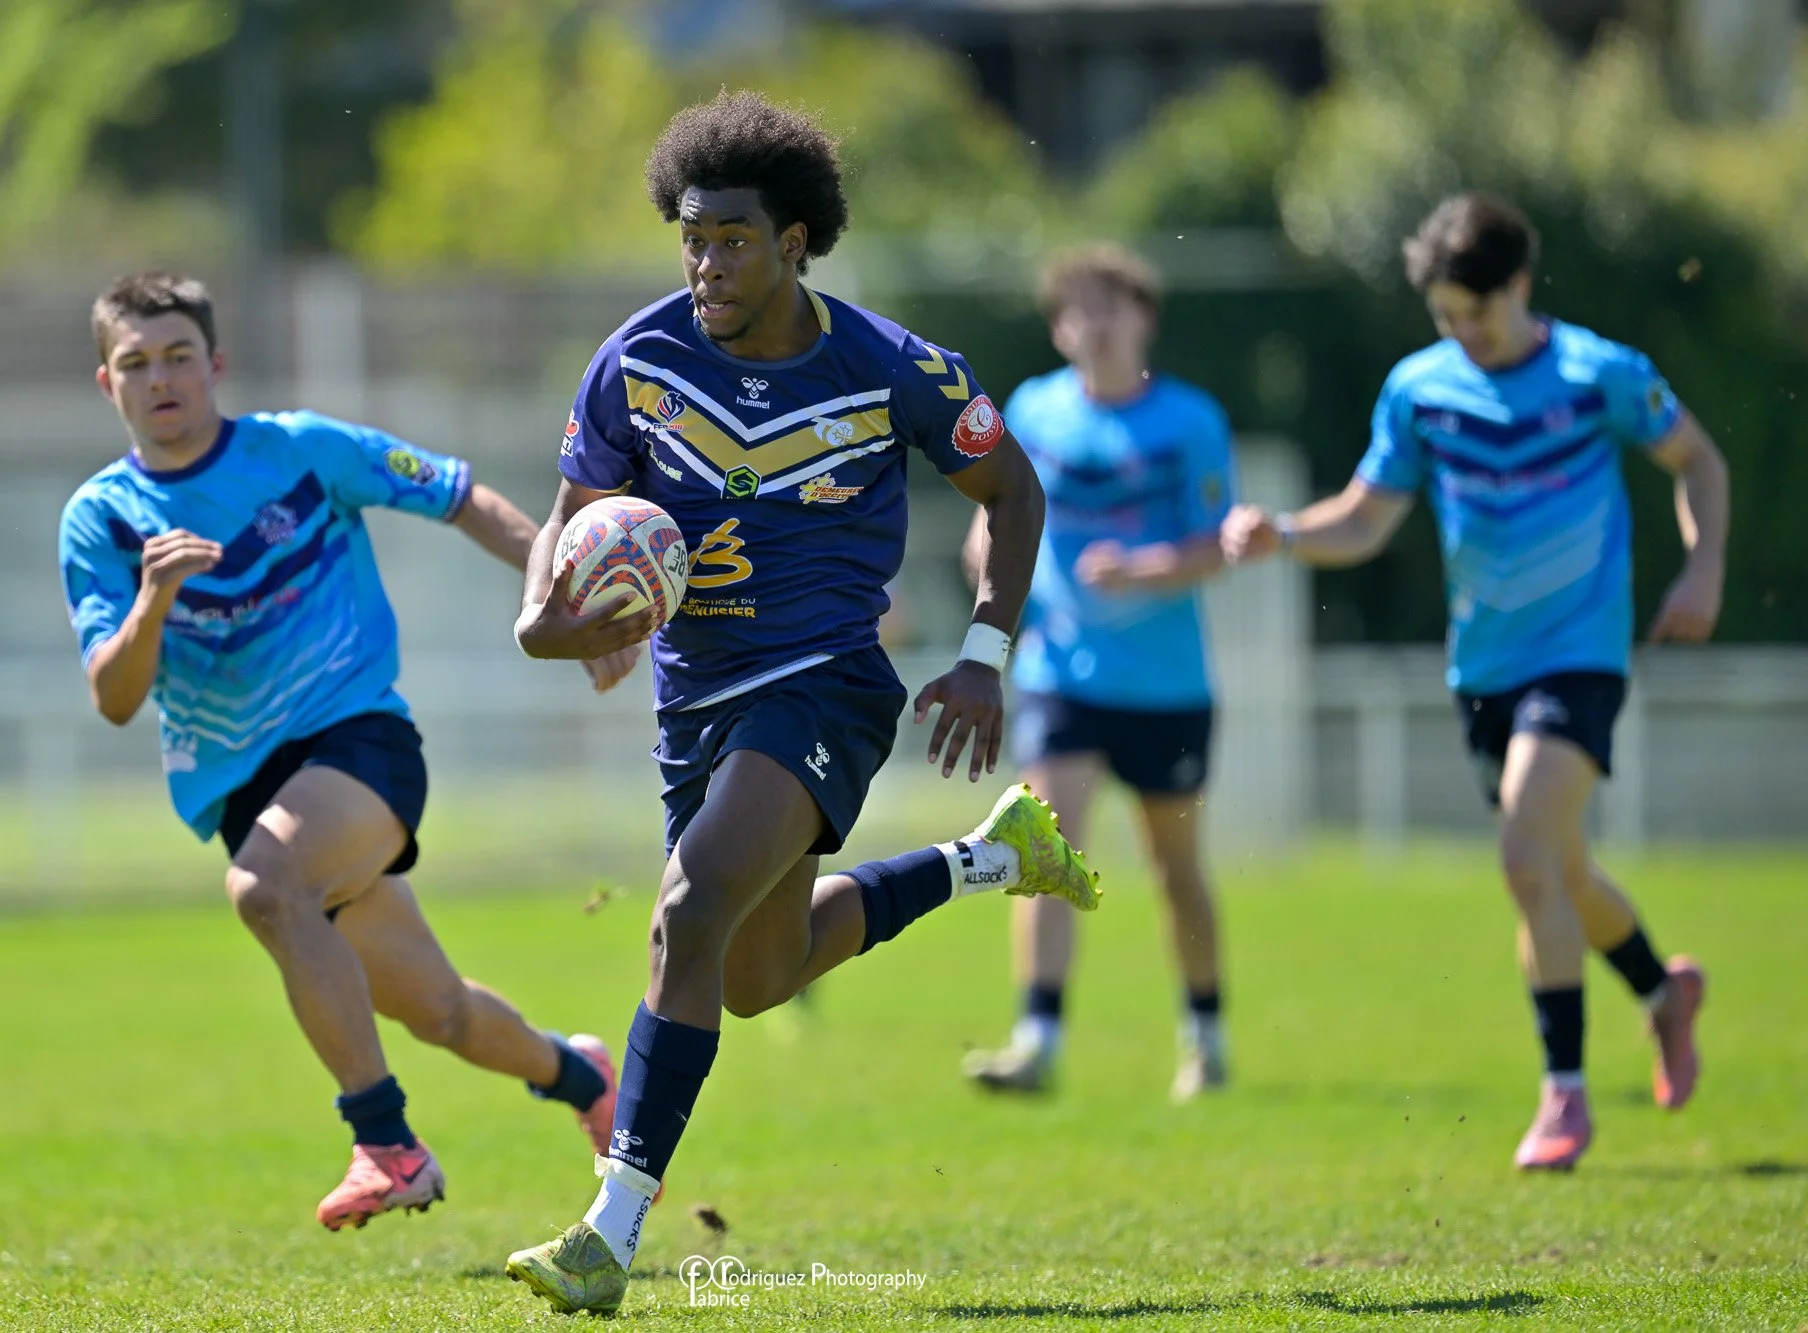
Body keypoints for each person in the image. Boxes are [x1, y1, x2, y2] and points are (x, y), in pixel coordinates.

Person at [501, 92, 1100, 1315]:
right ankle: (991, 863)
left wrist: (985, 653)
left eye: (731, 237)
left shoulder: (892, 369)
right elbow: (568, 520)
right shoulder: (638, 360)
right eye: (690, 236)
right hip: (693, 700)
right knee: (757, 973)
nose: (706, 262)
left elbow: (1015, 494)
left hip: (826, 682)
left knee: (689, 904)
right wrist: (541, 615)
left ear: (794, 241)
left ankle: (608, 1231)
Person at [58, 272, 636, 1230]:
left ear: (216, 365)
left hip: (360, 741)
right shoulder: (102, 520)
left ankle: (387, 1146)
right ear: (105, 383)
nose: (160, 379)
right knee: (439, 1010)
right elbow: (115, 699)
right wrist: (154, 601)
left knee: (265, 889)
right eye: (135, 364)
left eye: (178, 357)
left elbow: (460, 496)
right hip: (248, 794)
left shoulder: (300, 450)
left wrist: (563, 600)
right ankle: (583, 1076)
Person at [1222, 195, 1725, 1171]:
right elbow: (1367, 518)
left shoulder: (1594, 374)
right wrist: (1281, 533)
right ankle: (1662, 994)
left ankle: (1562, 1097)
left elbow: (1695, 461)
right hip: (1481, 671)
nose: (1459, 331)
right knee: (1558, 870)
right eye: (1444, 314)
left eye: (1474, 313)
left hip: (1578, 655)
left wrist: (1701, 567)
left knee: (1523, 853)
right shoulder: (1420, 389)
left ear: (1519, 287)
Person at [960, 245, 1237, 1103]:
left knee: (1174, 871)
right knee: (1042, 843)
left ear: (1144, 318)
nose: (1099, 322)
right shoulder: (1034, 411)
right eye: (1080, 307)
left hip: (1167, 686)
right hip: (1060, 676)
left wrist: (1148, 567)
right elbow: (991, 524)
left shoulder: (1189, 421)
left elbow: (1219, 544)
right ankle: (1036, 1039)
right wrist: (992, 589)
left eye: (1114, 304)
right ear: (1058, 327)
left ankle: (1206, 1033)